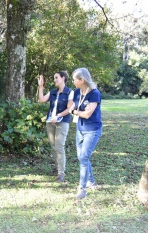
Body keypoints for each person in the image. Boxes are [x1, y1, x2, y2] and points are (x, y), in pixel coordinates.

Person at [69, 68, 102, 199]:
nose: (73, 81)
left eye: (74, 79)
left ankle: (82, 189)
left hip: (92, 130)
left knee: (83, 158)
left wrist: (76, 112)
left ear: (82, 80)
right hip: (80, 129)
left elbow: (87, 114)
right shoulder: (77, 92)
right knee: (82, 157)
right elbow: (73, 106)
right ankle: (91, 181)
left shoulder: (94, 93)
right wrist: (74, 110)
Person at [38, 71, 73, 182]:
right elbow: (41, 100)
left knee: (59, 146)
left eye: (56, 77)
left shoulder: (69, 92)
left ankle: (61, 173)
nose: (54, 80)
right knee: (53, 146)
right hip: (50, 122)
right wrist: (40, 87)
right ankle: (58, 168)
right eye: (54, 78)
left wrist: (58, 116)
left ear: (63, 78)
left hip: (62, 122)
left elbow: (69, 109)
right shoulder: (53, 92)